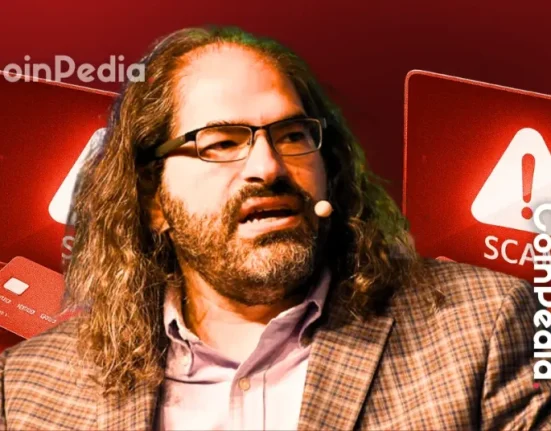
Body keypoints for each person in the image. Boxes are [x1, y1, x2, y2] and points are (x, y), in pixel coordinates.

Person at [0, 26, 549, 431]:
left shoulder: (482, 328)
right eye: (220, 143)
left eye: (291, 135)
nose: (267, 166)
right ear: (153, 201)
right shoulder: (25, 391)